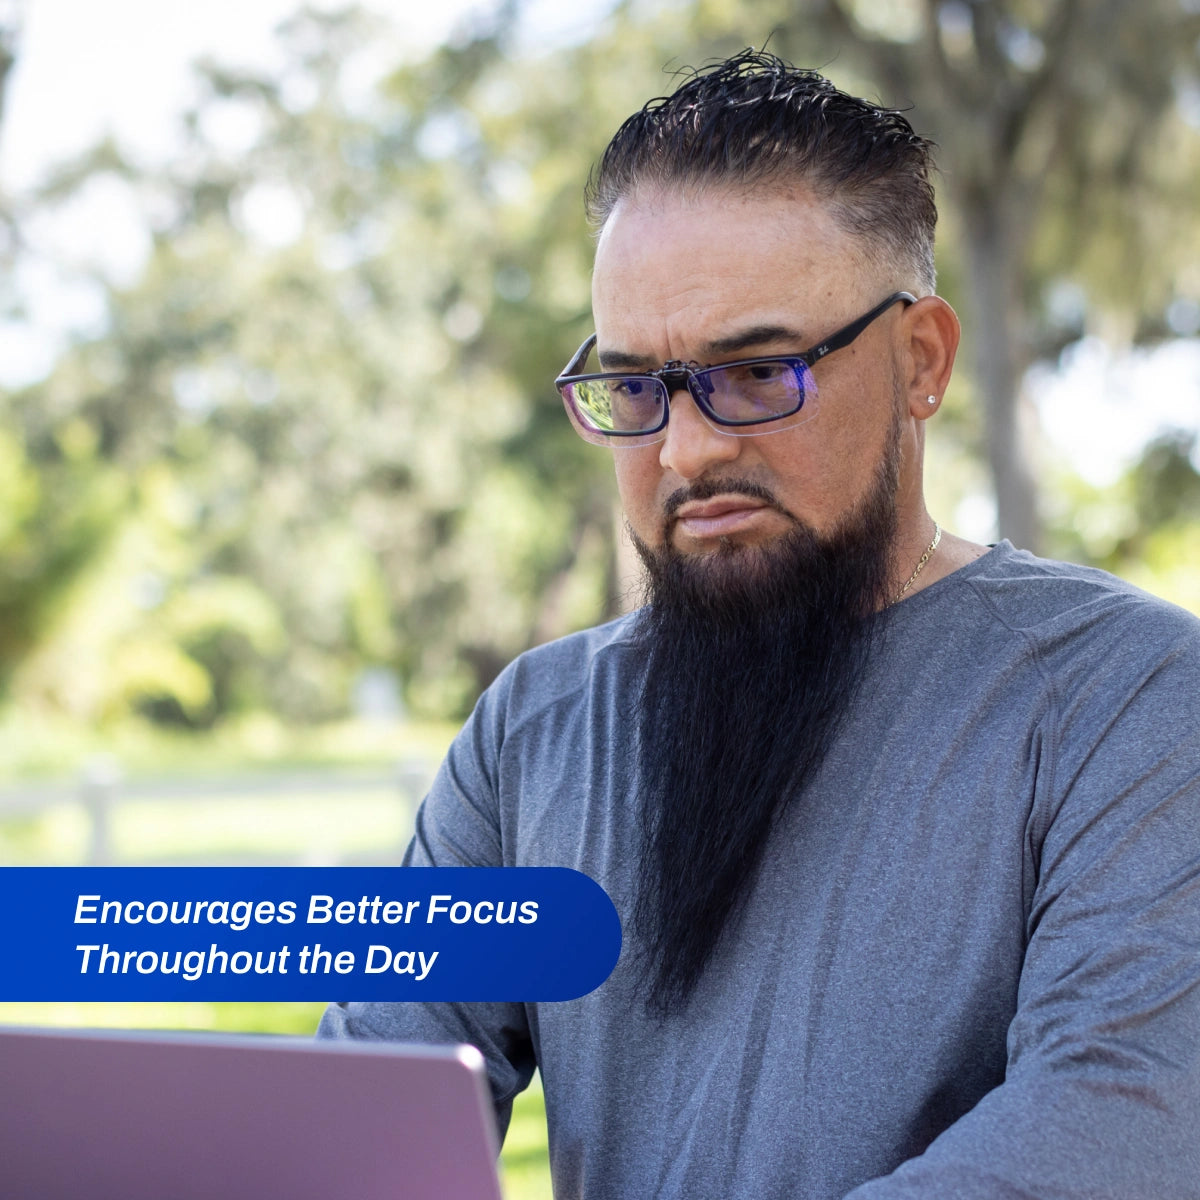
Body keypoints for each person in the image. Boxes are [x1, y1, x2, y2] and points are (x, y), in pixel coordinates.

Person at [319, 52, 1200, 1199]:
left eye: (755, 372)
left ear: (921, 360)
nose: (686, 450)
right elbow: (366, 1110)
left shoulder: (1126, 700)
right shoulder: (534, 731)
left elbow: (1112, 1129)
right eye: (635, 387)